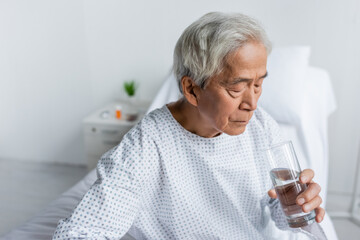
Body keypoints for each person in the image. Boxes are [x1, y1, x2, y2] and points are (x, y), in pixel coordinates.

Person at [53, 12, 326, 239]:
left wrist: (298, 205)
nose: (252, 103)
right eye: (237, 89)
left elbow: (279, 215)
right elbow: (81, 232)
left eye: (259, 84)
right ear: (192, 89)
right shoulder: (147, 146)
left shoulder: (263, 126)